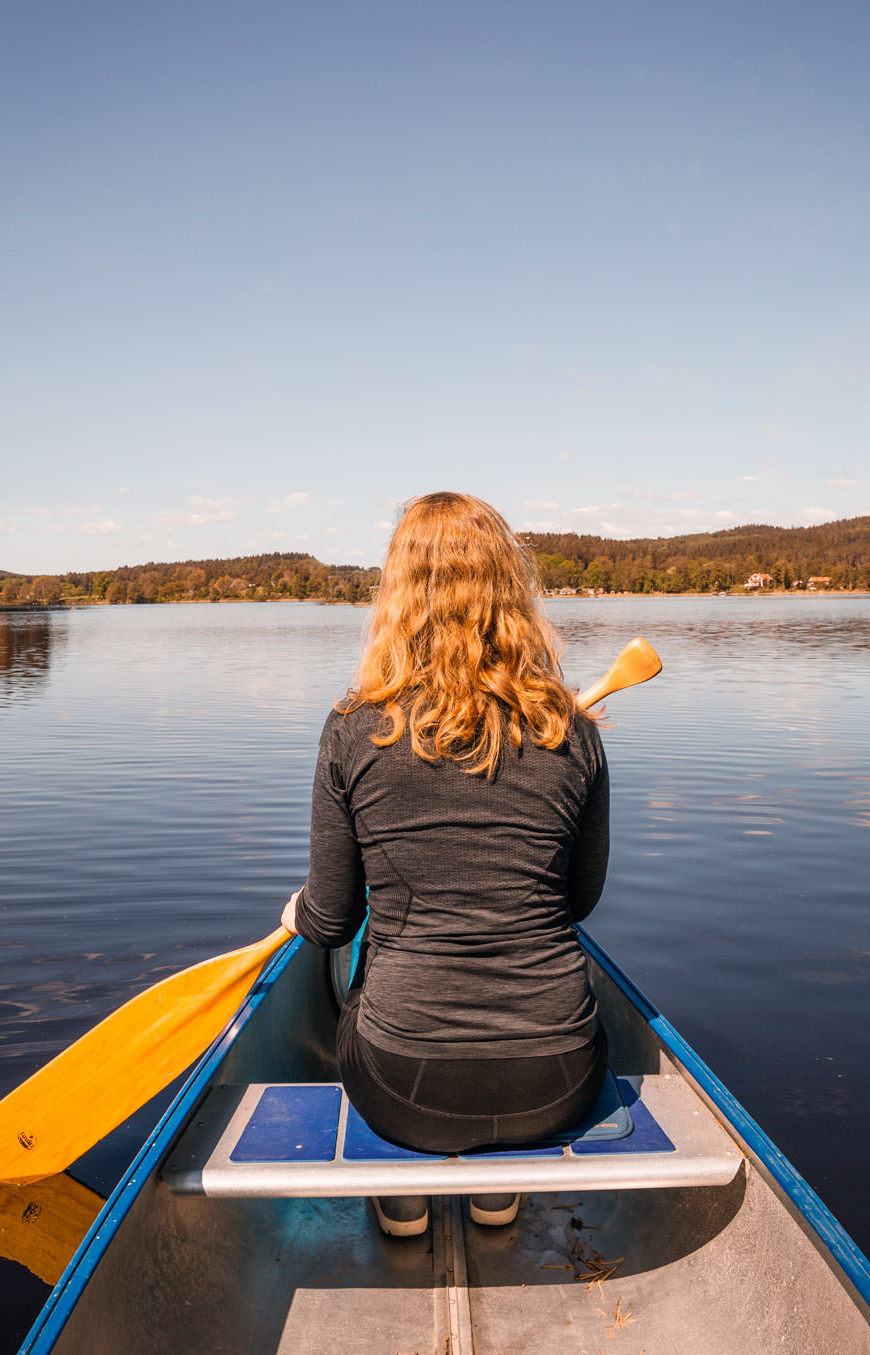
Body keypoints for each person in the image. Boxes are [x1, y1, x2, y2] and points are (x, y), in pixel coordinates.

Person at [279, 491, 610, 1237]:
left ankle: (404, 1198)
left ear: (397, 595)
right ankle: (498, 1196)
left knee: (358, 974)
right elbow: (579, 902)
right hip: (560, 1079)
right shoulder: (574, 729)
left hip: (406, 1086)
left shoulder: (351, 729)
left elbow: (332, 919)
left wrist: (296, 910)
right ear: (511, 593)